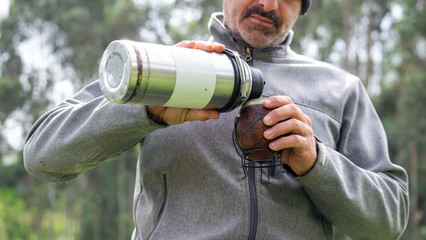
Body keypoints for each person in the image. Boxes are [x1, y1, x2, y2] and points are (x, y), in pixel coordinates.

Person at [24, 0, 409, 239]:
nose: (269, 4)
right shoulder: (164, 67)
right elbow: (41, 157)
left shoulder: (340, 88)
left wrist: (317, 162)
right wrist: (145, 110)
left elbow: (387, 223)